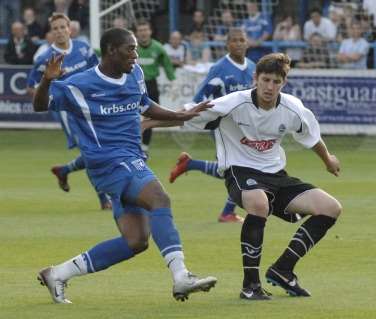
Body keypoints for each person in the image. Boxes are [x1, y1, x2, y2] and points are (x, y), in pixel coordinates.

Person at [32, 27, 217, 304]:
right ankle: (181, 277)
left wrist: (179, 114)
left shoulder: (136, 75)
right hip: (107, 163)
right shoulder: (79, 85)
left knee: (136, 241)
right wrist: (46, 81)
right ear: (110, 51)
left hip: (130, 161)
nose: (136, 54)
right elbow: (39, 105)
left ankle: (57, 274)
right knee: (160, 198)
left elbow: (144, 105)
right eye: (130, 49)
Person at [184, 53, 342, 300]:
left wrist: (328, 160)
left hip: (276, 175)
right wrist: (149, 122)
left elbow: (311, 137)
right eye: (266, 80)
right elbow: (188, 114)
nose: (270, 87)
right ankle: (250, 286)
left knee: (330, 207)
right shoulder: (234, 103)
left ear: (284, 83)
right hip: (240, 171)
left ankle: (283, 270)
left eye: (276, 82)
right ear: (255, 78)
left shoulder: (292, 107)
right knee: (258, 203)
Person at [168, 28, 255, 223]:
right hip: (222, 127)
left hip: (245, 128)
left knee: (233, 169)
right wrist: (188, 114)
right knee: (239, 169)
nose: (239, 43)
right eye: (234, 40)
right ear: (227, 44)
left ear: (247, 43)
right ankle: (227, 212)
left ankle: (190, 164)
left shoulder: (252, 67)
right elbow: (201, 97)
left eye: (242, 40)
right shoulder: (220, 68)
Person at [27, 13, 110, 210]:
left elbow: (98, 72)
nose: (59, 31)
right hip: (68, 112)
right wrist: (50, 88)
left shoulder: (83, 48)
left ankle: (64, 170)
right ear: (51, 33)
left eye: (62, 27)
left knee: (99, 149)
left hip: (91, 107)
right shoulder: (45, 58)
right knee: (92, 151)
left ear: (69, 29)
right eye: (55, 28)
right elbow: (31, 86)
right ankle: (104, 199)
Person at [135, 19, 176, 155]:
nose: (143, 33)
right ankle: (132, 145)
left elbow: (168, 66)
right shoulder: (131, 47)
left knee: (150, 118)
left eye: (145, 30)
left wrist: (173, 82)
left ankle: (145, 148)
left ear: (150, 31)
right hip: (134, 85)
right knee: (130, 115)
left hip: (151, 85)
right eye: (140, 30)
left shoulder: (158, 48)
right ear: (137, 33)